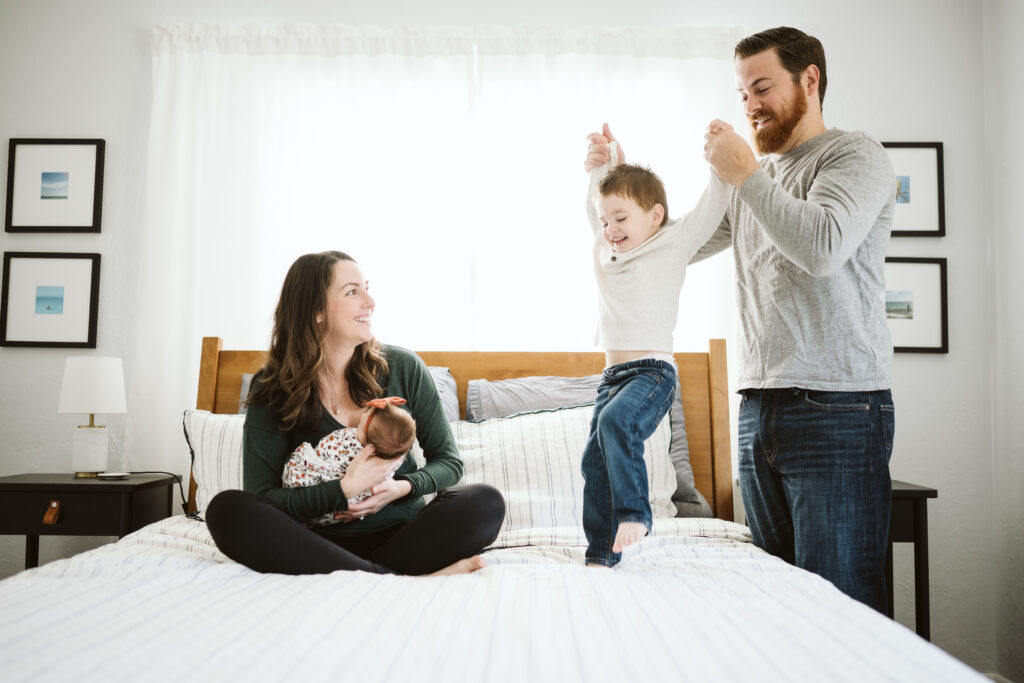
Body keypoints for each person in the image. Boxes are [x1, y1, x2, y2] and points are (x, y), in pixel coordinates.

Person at [587, 27, 896, 610]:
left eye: (762, 87)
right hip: (760, 406)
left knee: (840, 603)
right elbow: (668, 245)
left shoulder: (854, 156)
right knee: (778, 601)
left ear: (810, 79)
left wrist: (745, 175)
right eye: (742, 94)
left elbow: (823, 246)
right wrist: (620, 196)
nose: (751, 105)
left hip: (838, 407)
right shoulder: (754, 185)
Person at [205, 251, 506, 576]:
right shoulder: (272, 387)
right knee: (228, 510)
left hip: (404, 536)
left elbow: (449, 463)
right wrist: (344, 490)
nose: (370, 301)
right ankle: (388, 576)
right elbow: (264, 497)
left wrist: (400, 488)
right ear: (317, 310)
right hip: (312, 541)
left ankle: (359, 575)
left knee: (484, 501)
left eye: (367, 287)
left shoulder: (403, 367)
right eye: (352, 291)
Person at [580, 136, 729, 568]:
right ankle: (600, 555)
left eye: (621, 218)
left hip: (654, 374)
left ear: (655, 216)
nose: (610, 228)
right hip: (613, 377)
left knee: (616, 421)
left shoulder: (673, 242)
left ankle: (637, 513)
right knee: (595, 462)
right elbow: (596, 202)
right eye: (605, 220)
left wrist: (719, 162)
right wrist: (602, 164)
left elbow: (711, 206)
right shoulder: (605, 251)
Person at [282, 396, 416, 527]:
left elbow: (324, 447)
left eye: (366, 417)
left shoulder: (347, 441)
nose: (362, 416)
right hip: (335, 512)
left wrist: (402, 488)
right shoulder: (394, 458)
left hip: (319, 499)